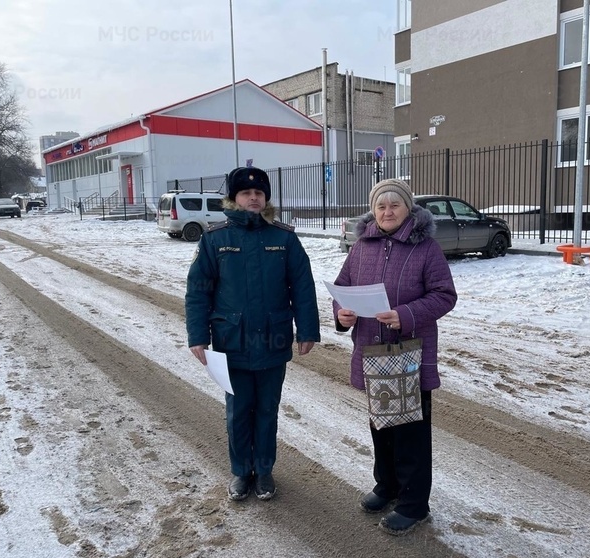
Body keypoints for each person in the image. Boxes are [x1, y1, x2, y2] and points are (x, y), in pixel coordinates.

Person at [186, 166, 320, 502]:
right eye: (246, 193)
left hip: (273, 341)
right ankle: (240, 472)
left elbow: (302, 287)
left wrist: (307, 330)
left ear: (266, 198)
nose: (253, 197)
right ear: (234, 198)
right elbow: (198, 291)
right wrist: (197, 336)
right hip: (231, 343)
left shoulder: (284, 238)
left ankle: (264, 472)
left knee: (266, 410)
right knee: (238, 411)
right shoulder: (215, 239)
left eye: (259, 193)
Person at [332, 178, 457, 536]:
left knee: (412, 431)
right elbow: (343, 289)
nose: (387, 212)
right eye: (381, 206)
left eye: (395, 205)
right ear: (374, 210)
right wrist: (343, 313)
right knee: (381, 424)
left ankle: (414, 504)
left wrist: (405, 315)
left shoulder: (426, 247)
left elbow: (444, 295)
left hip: (409, 354)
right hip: (373, 351)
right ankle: (386, 487)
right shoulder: (362, 246)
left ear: (408, 209)